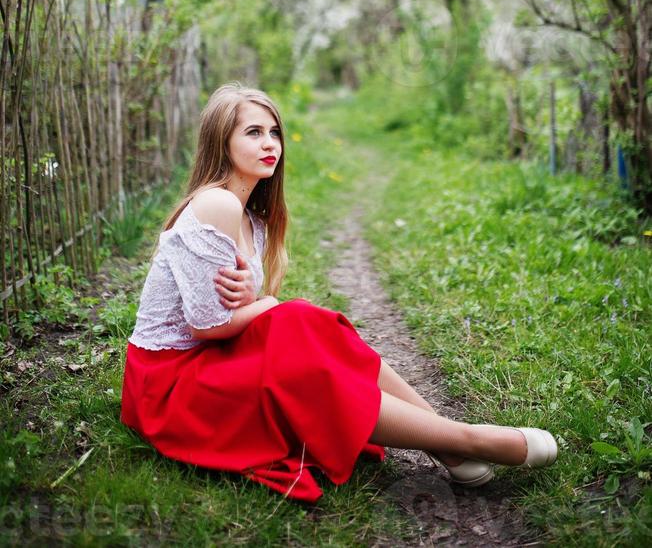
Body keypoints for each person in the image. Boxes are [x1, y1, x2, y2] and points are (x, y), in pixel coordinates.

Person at [120, 82, 558, 502]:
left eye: (274, 132)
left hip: (205, 364)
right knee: (293, 322)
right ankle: (467, 438)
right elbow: (204, 327)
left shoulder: (251, 218)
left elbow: (232, 314)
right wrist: (267, 304)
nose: (270, 142)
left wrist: (262, 307)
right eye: (253, 133)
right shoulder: (217, 203)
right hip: (170, 387)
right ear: (221, 142)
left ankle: (448, 442)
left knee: (303, 325)